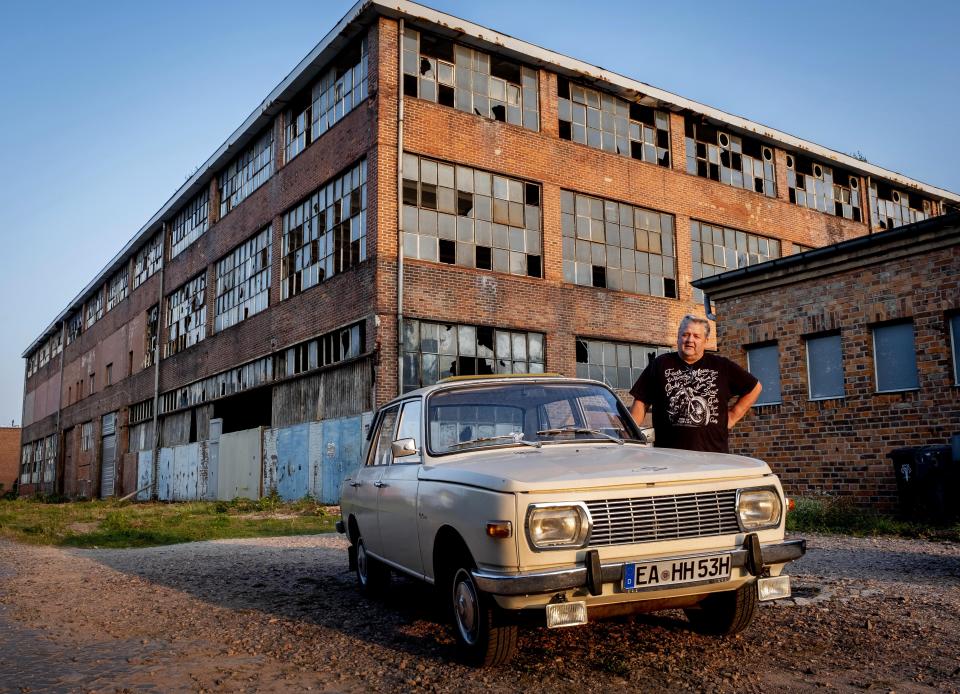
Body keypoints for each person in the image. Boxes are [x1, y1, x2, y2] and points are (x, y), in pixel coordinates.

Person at [629, 314, 762, 453]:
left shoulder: (722, 366)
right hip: (668, 456)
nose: (690, 340)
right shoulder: (660, 364)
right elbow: (641, 402)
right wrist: (631, 436)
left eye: (696, 336)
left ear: (706, 340)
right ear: (678, 337)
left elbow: (754, 387)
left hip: (713, 454)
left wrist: (734, 415)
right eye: (685, 334)